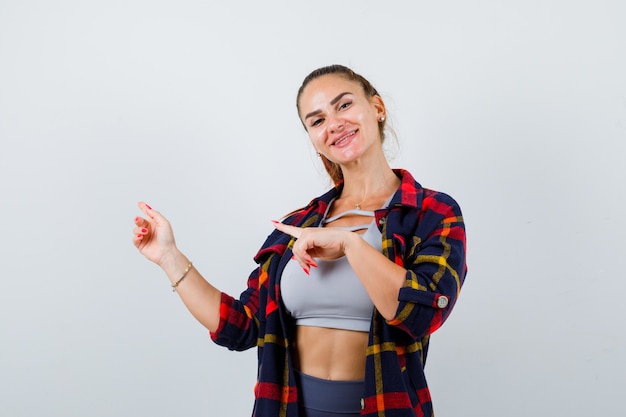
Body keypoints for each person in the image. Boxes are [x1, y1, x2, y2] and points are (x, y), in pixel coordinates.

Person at [132, 64, 467, 417]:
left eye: (344, 105)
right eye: (317, 120)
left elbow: (422, 315)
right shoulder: (298, 224)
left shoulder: (432, 212)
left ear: (378, 108)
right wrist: (168, 256)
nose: (334, 124)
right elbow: (243, 326)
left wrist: (351, 245)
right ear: (312, 138)